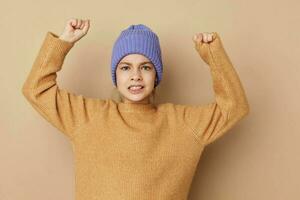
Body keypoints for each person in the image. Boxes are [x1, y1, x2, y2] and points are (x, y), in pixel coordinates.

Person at [21, 18, 250, 200]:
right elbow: (36, 89)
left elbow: (234, 106)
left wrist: (213, 56)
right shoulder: (88, 117)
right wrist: (64, 42)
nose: (135, 76)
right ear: (115, 75)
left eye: (146, 67)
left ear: (156, 74)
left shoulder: (182, 124)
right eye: (125, 67)